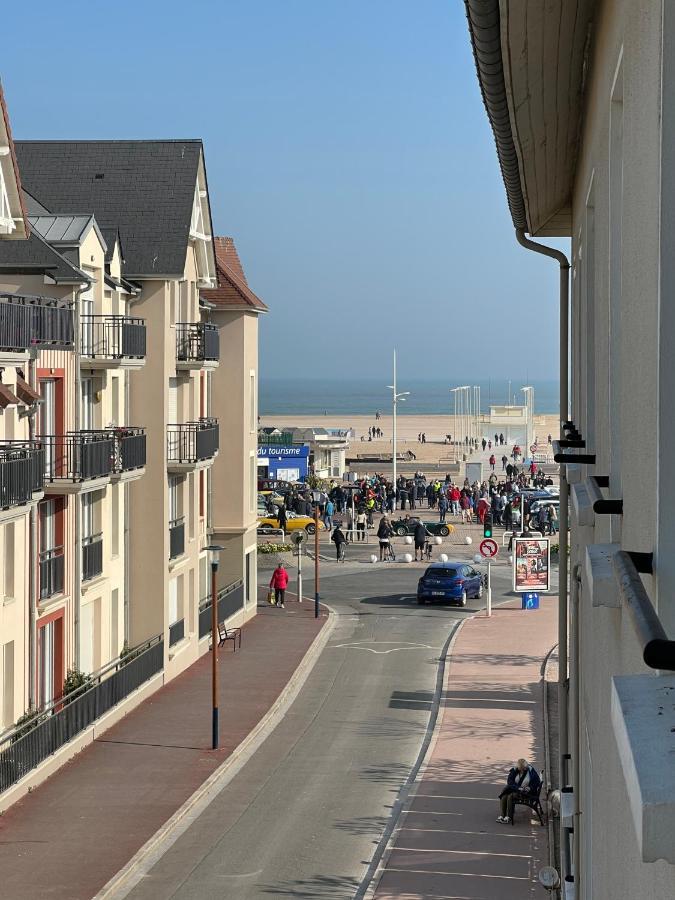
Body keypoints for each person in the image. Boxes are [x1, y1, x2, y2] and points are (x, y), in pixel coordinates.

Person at [497, 758, 542, 824]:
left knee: (510, 796)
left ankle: (509, 817)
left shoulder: (530, 770)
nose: (522, 771)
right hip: (516, 790)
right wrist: (518, 788)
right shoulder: (515, 770)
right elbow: (510, 781)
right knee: (504, 796)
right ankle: (502, 816)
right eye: (520, 769)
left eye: (523, 769)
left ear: (526, 767)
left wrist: (530, 788)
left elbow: (537, 782)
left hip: (527, 793)